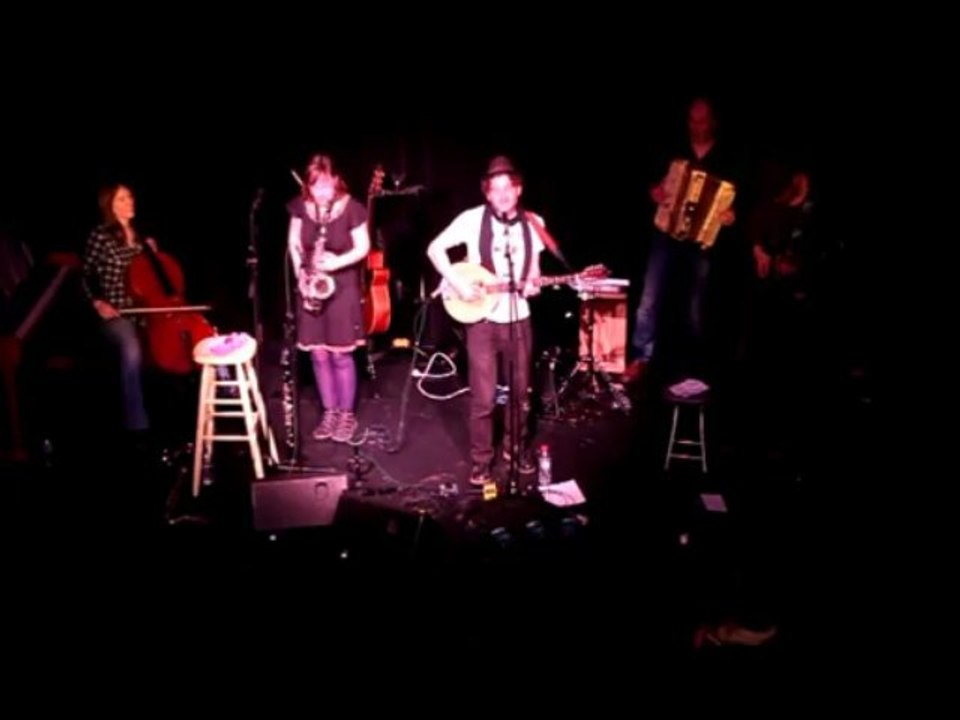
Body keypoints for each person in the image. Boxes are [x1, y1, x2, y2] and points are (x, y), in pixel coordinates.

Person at [426, 155, 544, 486]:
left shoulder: (534, 223)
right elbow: (435, 249)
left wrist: (534, 282)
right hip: (481, 318)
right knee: (484, 395)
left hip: (519, 317)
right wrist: (458, 281)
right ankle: (481, 460)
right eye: (496, 188)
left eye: (509, 187)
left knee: (521, 392)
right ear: (487, 193)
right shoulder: (470, 220)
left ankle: (515, 449)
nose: (503, 194)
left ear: (518, 190)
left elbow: (534, 268)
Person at [626, 97, 739, 382]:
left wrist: (730, 215)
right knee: (649, 297)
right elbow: (653, 184)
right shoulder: (673, 149)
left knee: (697, 302)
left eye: (701, 121)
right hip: (666, 232)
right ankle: (642, 357)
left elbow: (736, 198)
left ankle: (694, 363)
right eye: (691, 120)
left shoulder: (727, 156)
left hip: (701, 239)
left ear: (712, 121)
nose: (696, 126)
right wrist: (656, 192)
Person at [286, 153, 370, 443]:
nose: (320, 192)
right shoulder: (301, 208)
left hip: (342, 286)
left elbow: (363, 248)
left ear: (336, 181)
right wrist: (301, 274)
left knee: (340, 354)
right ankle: (329, 411)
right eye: (314, 186)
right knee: (319, 354)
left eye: (325, 184)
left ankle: (347, 414)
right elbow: (294, 243)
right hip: (312, 285)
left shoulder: (353, 209)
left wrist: (335, 263)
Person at [82, 183, 154, 433]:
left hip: (144, 312)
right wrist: (98, 302)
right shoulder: (100, 235)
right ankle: (137, 424)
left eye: (130, 197)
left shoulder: (143, 238)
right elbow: (86, 274)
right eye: (122, 199)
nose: (130, 202)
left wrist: (154, 255)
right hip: (116, 313)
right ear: (110, 206)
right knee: (131, 348)